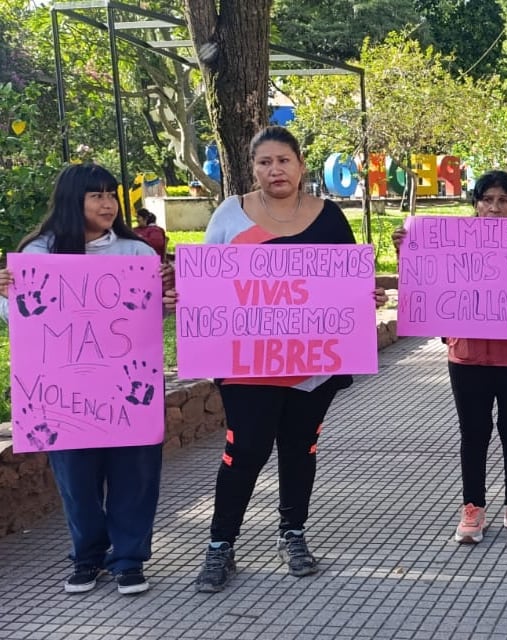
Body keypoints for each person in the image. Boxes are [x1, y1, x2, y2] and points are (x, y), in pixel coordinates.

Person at [169, 126, 386, 593]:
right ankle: (220, 545)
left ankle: (293, 534)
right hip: (247, 365)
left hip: (312, 366)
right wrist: (184, 295)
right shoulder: (231, 215)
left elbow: (350, 284)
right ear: (253, 168)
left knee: (300, 448)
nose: (275, 170)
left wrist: (364, 297)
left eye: (283, 160)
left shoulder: (329, 218)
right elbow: (206, 283)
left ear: (301, 165)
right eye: (265, 162)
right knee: (245, 450)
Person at [0, 163, 165, 596]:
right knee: (76, 480)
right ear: (74, 200)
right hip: (62, 392)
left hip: (127, 389)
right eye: (97, 195)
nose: (108, 204)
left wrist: (167, 299)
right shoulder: (39, 253)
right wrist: (6, 293)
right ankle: (88, 556)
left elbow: (151, 320)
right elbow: (19, 321)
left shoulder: (136, 253)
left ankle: (128, 559)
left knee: (135, 475)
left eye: (112, 194)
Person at [392, 171, 507, 544]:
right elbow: (426, 281)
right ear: (475, 205)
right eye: (487, 199)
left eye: (503, 200)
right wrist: (406, 250)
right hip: (467, 356)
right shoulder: (453, 244)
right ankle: (472, 507)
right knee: (473, 434)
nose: (494, 208)